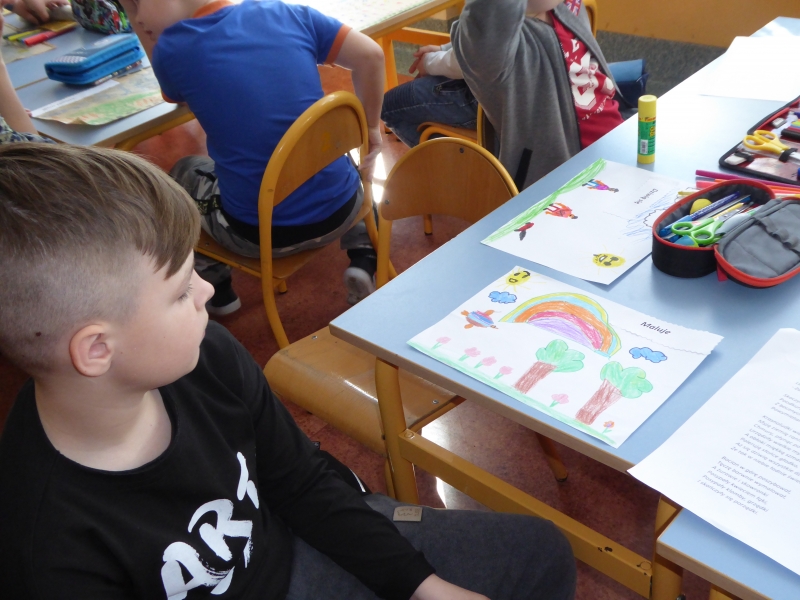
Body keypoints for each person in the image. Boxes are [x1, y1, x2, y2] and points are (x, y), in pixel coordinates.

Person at [0, 143, 576, 599]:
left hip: (299, 547)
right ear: (96, 349)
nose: (207, 290)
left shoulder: (208, 355)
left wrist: (422, 587)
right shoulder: (44, 543)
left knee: (540, 551)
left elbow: (300, 483)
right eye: (179, 291)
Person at [119, 0, 385, 312]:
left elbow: (175, 95)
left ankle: (217, 288)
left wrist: (142, 25)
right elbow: (371, 55)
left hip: (260, 235)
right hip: (346, 207)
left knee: (183, 174)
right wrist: (371, 128)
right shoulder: (287, 13)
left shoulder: (172, 49)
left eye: (135, 3)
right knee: (339, 161)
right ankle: (365, 257)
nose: (137, 16)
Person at [381, 0, 624, 191]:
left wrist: (432, 61)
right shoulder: (566, 9)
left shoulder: (523, 25)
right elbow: (490, 33)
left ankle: (462, 188)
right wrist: (448, 50)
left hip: (570, 174)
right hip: (610, 142)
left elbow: (489, 34)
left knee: (391, 105)